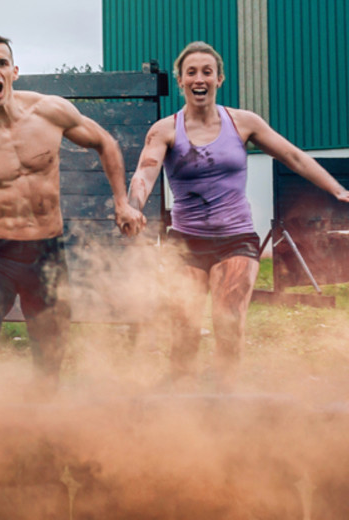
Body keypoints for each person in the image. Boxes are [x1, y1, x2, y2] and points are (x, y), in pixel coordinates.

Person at [0, 34, 145, 395]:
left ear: (14, 71)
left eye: (2, 63)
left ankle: (43, 430)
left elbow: (105, 142)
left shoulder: (49, 112)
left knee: (51, 352)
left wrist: (122, 202)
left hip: (47, 252)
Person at [126, 41, 349, 390]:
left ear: (219, 79)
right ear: (181, 80)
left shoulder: (243, 123)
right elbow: (144, 174)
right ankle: (178, 403)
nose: (199, 79)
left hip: (236, 240)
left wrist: (338, 190)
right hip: (186, 242)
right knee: (184, 327)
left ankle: (225, 397)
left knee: (228, 321)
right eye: (191, 73)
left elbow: (293, 156)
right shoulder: (165, 130)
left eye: (207, 72)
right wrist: (132, 206)